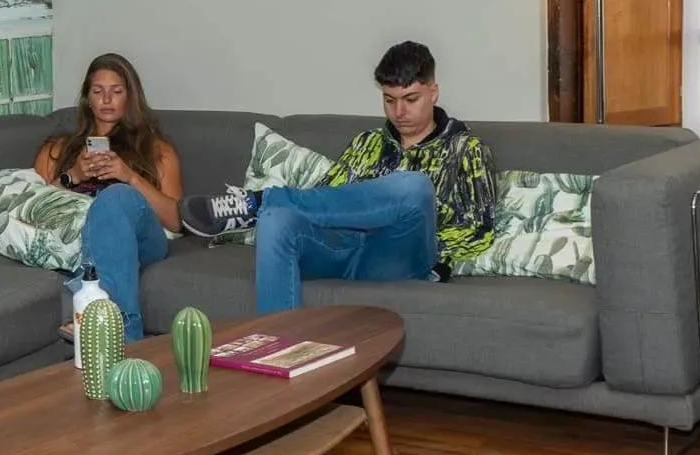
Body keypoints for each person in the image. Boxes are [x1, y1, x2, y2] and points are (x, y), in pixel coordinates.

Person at [179, 41, 496, 313]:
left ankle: (258, 201)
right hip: (344, 247)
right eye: (389, 99)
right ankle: (278, 351)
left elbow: (478, 230)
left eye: (410, 99)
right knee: (277, 219)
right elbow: (325, 199)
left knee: (413, 185)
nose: (399, 111)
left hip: (397, 254)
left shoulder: (466, 149)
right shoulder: (366, 143)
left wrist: (441, 260)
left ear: (433, 92)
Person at [34, 53, 183, 342]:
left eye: (116, 91)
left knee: (115, 197)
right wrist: (73, 175)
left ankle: (90, 302)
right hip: (83, 236)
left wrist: (130, 177)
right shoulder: (57, 149)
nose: (106, 100)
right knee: (106, 206)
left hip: (144, 239)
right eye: (98, 91)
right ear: (86, 99)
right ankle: (118, 332)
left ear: (130, 97)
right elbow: (35, 207)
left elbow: (177, 221)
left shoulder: (157, 150)